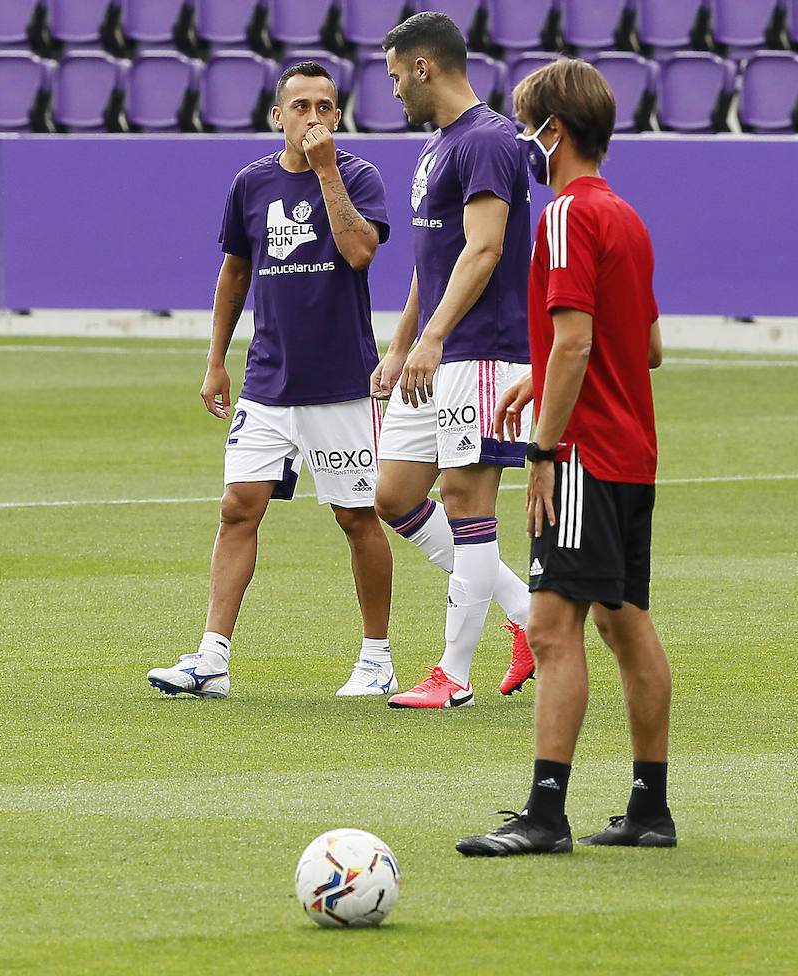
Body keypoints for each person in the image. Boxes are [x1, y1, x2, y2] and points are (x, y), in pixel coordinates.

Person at [457, 58, 673, 855]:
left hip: (582, 452)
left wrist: (542, 449)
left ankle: (546, 814)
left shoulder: (561, 218)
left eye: (527, 126)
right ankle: (649, 807)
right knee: (625, 622)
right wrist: (535, 372)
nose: (523, 141)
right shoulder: (626, 217)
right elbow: (645, 346)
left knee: (550, 628)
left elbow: (580, 340)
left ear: (555, 130)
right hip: (633, 452)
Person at [147, 62, 397, 700]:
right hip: (267, 381)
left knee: (355, 516)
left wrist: (328, 171)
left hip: (341, 382)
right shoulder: (250, 184)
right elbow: (235, 273)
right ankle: (212, 658)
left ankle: (376, 659)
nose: (313, 117)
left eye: (324, 106)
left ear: (337, 116)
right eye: (301, 106)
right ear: (278, 116)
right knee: (237, 509)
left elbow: (361, 251)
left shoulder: (359, 176)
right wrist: (215, 360)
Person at [372, 11, 537, 709]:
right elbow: (430, 260)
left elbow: (485, 247)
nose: (392, 95)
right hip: (439, 349)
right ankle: (529, 618)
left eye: (393, 78)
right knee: (396, 496)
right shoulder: (440, 144)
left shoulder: (491, 140)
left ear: (423, 67)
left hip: (484, 349)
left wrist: (436, 336)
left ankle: (453, 676)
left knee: (470, 504)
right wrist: (404, 340)